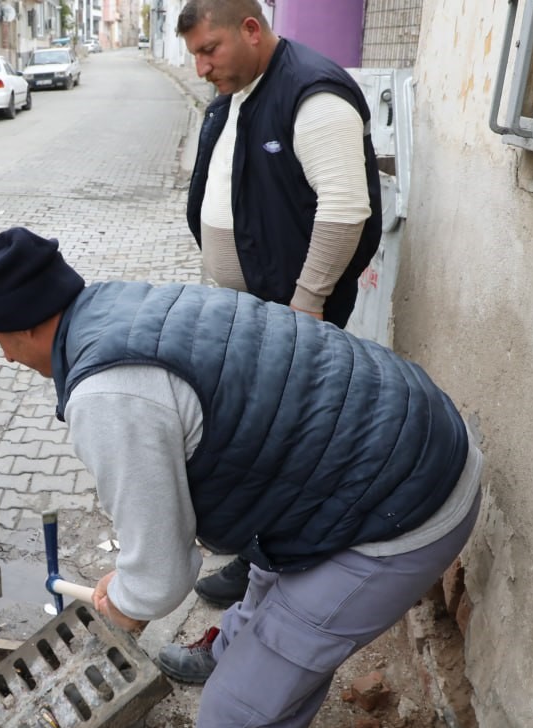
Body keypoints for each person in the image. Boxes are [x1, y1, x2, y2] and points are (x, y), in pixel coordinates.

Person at [0, 227, 482, 728]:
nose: (4, 356)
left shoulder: (111, 393)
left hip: (404, 507)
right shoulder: (119, 305)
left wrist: (122, 603)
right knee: (266, 570)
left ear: (20, 329)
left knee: (238, 719)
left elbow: (160, 575)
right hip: (394, 440)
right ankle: (231, 650)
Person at [180, 0, 385, 608]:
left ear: (251, 29)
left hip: (291, 317)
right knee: (250, 433)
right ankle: (256, 547)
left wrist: (308, 304)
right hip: (252, 310)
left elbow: (345, 208)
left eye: (208, 50)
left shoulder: (312, 94)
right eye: (194, 54)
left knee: (281, 443)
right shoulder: (237, 93)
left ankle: (269, 568)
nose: (200, 68)